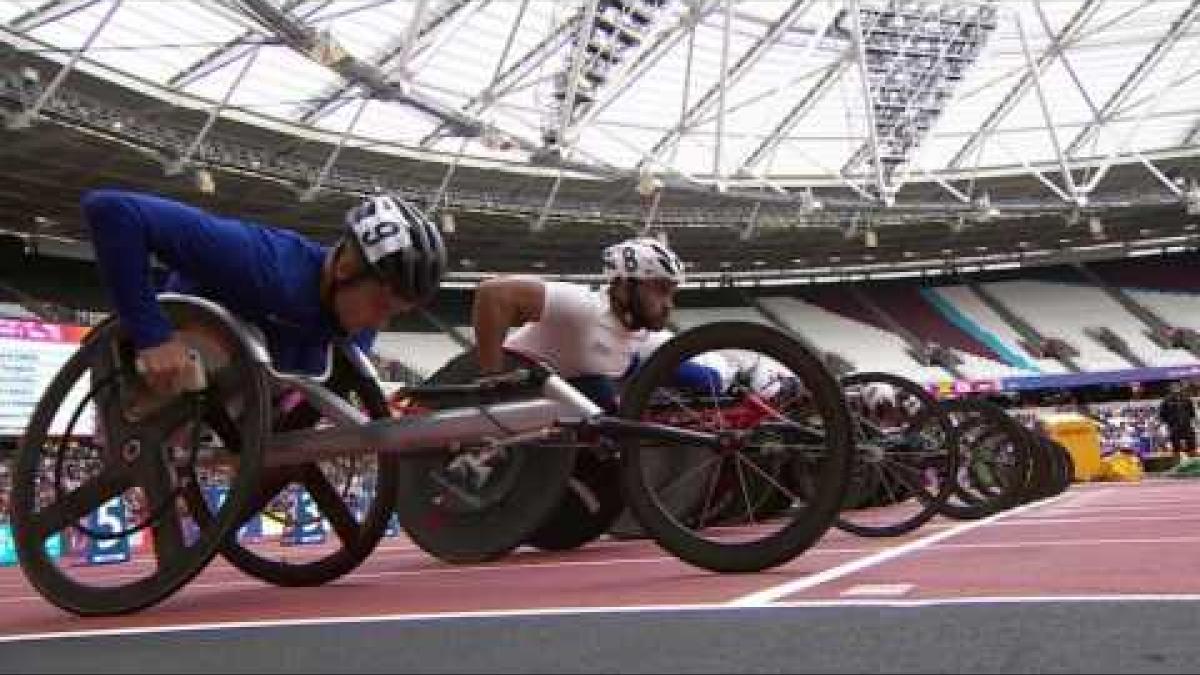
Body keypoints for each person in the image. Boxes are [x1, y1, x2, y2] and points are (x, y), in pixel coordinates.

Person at [81, 189, 447, 391]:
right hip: (153, 372)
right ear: (346, 267)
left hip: (243, 397)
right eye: (381, 304)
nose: (379, 322)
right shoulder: (261, 261)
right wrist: (152, 335)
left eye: (394, 313)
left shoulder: (360, 320)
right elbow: (113, 210)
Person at [470, 236, 719, 411]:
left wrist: (713, 382)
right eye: (661, 290)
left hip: (575, 383)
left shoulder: (639, 333)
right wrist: (492, 378)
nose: (669, 304)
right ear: (623, 286)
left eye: (671, 293)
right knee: (607, 411)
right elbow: (493, 293)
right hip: (516, 395)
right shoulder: (582, 306)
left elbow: (660, 365)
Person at [1157, 381, 1198, 461]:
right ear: (1170, 389)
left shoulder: (1186, 398)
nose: (1176, 388)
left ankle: (1194, 461)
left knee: (1191, 443)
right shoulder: (1166, 400)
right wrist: (1169, 422)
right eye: (1173, 387)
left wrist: (1190, 420)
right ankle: (1177, 462)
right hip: (1174, 426)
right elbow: (1162, 414)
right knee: (1176, 446)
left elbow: (1191, 411)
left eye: (1177, 386)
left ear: (1180, 388)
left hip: (1186, 425)